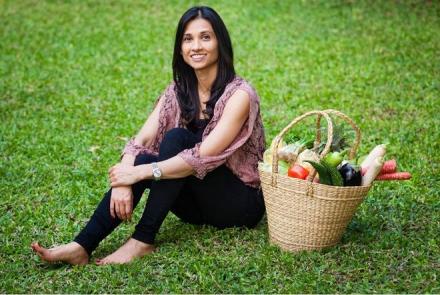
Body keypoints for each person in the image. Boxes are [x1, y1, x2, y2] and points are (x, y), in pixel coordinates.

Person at [31, 5, 266, 265]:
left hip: (238, 205)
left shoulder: (240, 95)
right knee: (144, 158)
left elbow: (203, 155)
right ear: (180, 48)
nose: (196, 46)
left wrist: (140, 173)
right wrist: (124, 177)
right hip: (196, 208)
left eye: (205, 37)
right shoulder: (179, 90)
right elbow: (141, 141)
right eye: (188, 39)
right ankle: (82, 246)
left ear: (221, 43)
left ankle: (142, 240)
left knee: (175, 140)